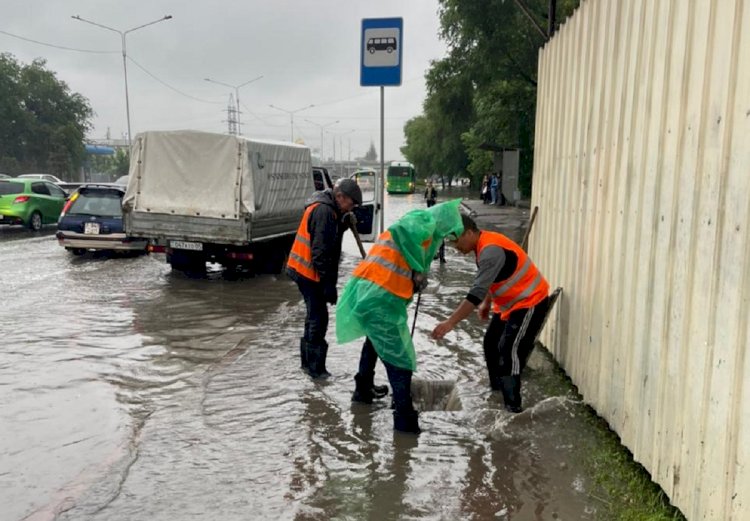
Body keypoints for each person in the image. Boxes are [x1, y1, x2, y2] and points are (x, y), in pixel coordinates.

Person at [336, 200, 464, 434]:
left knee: (374, 342)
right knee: (400, 361)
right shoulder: (419, 223)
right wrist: (417, 268)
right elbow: (402, 233)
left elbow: (399, 260)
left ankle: (362, 393)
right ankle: (405, 424)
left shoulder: (421, 227)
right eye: (447, 233)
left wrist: (415, 274)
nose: (445, 239)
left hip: (371, 292)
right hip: (379, 298)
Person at [431, 214, 550, 413]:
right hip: (509, 305)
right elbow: (492, 279)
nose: (455, 247)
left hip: (530, 300)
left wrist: (450, 323)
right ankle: (497, 391)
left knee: (508, 349)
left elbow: (474, 294)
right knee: (491, 343)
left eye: (456, 241)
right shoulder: (482, 246)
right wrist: (488, 302)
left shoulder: (490, 251)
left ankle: (513, 408)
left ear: (469, 232)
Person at [287, 178, 363, 379]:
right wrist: (328, 285)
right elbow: (321, 253)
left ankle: (307, 366)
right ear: (340, 197)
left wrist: (343, 223)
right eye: (351, 203)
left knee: (313, 316)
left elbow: (330, 236)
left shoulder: (328, 209)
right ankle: (315, 371)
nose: (352, 207)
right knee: (319, 319)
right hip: (308, 273)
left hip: (303, 270)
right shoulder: (324, 212)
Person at [424, 181, 446, 263]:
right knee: (440, 244)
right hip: (436, 234)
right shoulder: (428, 188)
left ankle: (441, 257)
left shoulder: (433, 189)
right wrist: (425, 196)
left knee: (441, 244)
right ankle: (439, 257)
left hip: (438, 234)